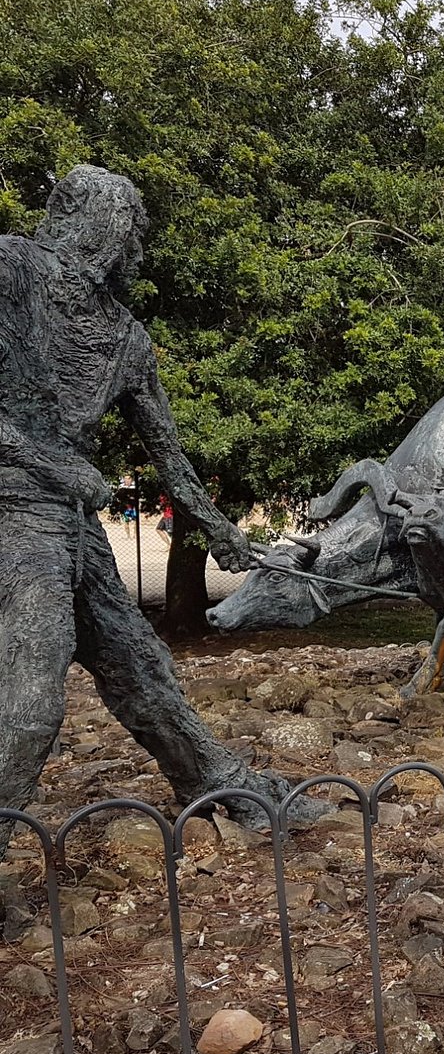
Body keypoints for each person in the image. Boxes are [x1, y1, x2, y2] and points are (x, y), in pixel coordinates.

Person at [0, 164, 314, 853]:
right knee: (28, 705)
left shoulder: (126, 337)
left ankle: (222, 783)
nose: (140, 250)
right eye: (135, 231)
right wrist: (55, 465)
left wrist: (226, 533)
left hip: (72, 529)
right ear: (104, 226)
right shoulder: (11, 270)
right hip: (13, 512)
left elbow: (169, 456)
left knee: (140, 665)